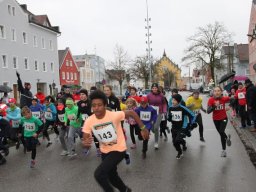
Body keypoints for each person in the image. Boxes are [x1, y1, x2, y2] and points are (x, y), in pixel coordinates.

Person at [82, 90, 149, 192]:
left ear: (105, 105)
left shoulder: (113, 115)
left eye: (99, 105)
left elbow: (131, 113)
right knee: (111, 175)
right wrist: (85, 144)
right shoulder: (89, 121)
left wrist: (143, 127)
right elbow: (86, 141)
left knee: (99, 174)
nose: (96, 108)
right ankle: (125, 190)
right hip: (105, 151)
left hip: (119, 149)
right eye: (94, 105)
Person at [168, 94, 196, 159]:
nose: (172, 101)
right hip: (174, 127)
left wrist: (191, 123)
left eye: (174, 100)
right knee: (174, 142)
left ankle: (180, 152)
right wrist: (169, 118)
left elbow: (192, 115)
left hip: (182, 127)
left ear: (178, 101)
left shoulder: (182, 108)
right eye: (172, 100)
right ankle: (180, 150)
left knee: (178, 140)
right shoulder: (170, 108)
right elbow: (169, 118)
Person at [207, 86, 232, 157]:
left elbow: (233, 99)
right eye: (215, 91)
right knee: (221, 134)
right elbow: (208, 111)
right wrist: (215, 106)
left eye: (218, 91)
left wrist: (230, 106)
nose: (217, 92)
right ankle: (227, 138)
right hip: (215, 120)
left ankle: (223, 151)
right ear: (213, 92)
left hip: (224, 118)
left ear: (221, 92)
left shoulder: (224, 98)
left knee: (221, 131)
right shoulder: (211, 100)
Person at [77, 89, 100, 156]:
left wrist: (85, 106)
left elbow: (91, 112)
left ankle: (98, 149)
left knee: (94, 135)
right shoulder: (79, 103)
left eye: (83, 94)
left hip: (92, 120)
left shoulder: (90, 102)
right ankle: (87, 148)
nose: (81, 96)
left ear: (86, 95)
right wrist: (78, 117)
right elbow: (79, 111)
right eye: (80, 94)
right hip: (84, 121)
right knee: (84, 135)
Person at [147, 83, 167, 149]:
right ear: (151, 89)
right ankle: (155, 131)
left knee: (156, 128)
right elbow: (146, 103)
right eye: (153, 88)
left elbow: (164, 104)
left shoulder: (161, 95)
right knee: (153, 129)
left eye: (155, 88)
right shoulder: (149, 95)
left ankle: (156, 142)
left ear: (157, 88)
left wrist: (164, 111)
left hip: (159, 113)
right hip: (152, 113)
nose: (154, 89)